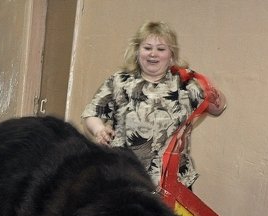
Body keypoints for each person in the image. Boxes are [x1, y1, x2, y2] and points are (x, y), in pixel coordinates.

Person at [82, 21, 227, 188]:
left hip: (173, 182)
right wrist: (99, 130)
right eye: (147, 47)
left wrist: (217, 98)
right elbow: (91, 114)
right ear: (137, 51)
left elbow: (216, 109)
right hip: (122, 178)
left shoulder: (186, 83)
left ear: (171, 55)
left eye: (161, 49)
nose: (153, 54)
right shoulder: (120, 81)